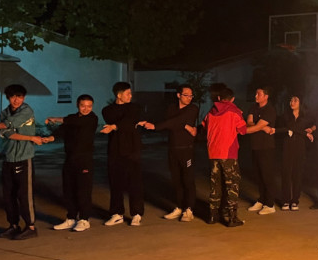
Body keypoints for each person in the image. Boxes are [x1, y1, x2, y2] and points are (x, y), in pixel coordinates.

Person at [0, 84, 54, 240]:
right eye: (13, 96)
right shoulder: (4, 112)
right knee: (9, 194)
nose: (16, 100)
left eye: (19, 96)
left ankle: (31, 226)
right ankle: (13, 225)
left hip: (24, 158)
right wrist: (31, 138)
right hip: (8, 158)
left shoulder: (26, 111)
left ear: (24, 97)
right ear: (8, 97)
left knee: (24, 194)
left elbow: (8, 126)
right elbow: (7, 133)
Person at [202, 86, 262, 226]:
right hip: (228, 154)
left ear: (218, 98)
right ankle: (232, 217)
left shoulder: (210, 112)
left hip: (213, 153)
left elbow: (204, 126)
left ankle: (212, 216)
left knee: (215, 185)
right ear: (232, 99)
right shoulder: (234, 111)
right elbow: (242, 130)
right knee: (232, 185)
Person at [142, 85, 199, 222]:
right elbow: (173, 122)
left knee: (188, 180)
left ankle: (189, 210)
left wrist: (156, 126)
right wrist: (185, 126)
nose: (189, 98)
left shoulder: (193, 108)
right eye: (186, 95)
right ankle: (179, 207)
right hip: (172, 148)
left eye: (191, 95)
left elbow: (174, 122)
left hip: (186, 148)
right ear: (178, 95)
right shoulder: (171, 108)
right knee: (176, 179)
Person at [46, 94, 99, 232]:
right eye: (83, 106)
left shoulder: (92, 119)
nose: (86, 109)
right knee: (69, 189)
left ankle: (84, 219)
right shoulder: (72, 119)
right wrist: (50, 138)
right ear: (77, 105)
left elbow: (72, 121)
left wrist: (56, 118)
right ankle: (71, 218)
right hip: (70, 158)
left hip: (85, 160)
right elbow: (62, 130)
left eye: (89, 106)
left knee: (83, 190)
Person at [101, 82, 146, 227]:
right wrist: (126, 124)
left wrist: (115, 126)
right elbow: (126, 121)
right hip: (115, 150)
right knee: (116, 183)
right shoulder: (107, 110)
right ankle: (117, 213)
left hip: (133, 150)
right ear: (119, 95)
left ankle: (137, 213)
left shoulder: (135, 107)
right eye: (128, 93)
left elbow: (129, 120)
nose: (130, 96)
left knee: (135, 183)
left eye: (130, 93)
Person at [246, 86, 278, 215]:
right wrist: (263, 128)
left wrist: (253, 128)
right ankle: (262, 200)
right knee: (258, 175)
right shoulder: (253, 107)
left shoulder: (270, 110)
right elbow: (249, 122)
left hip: (266, 147)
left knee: (267, 175)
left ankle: (270, 204)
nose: (256, 96)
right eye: (256, 94)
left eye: (258, 94)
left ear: (266, 96)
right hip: (255, 146)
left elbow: (251, 128)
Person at [279, 94, 314, 210]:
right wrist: (305, 133)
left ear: (300, 103)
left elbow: (302, 127)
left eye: (295, 100)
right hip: (287, 146)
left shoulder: (304, 117)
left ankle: (295, 201)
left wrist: (310, 130)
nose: (292, 103)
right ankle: (285, 200)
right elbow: (289, 127)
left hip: (299, 147)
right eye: (291, 100)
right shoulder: (285, 116)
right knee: (286, 173)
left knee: (297, 174)